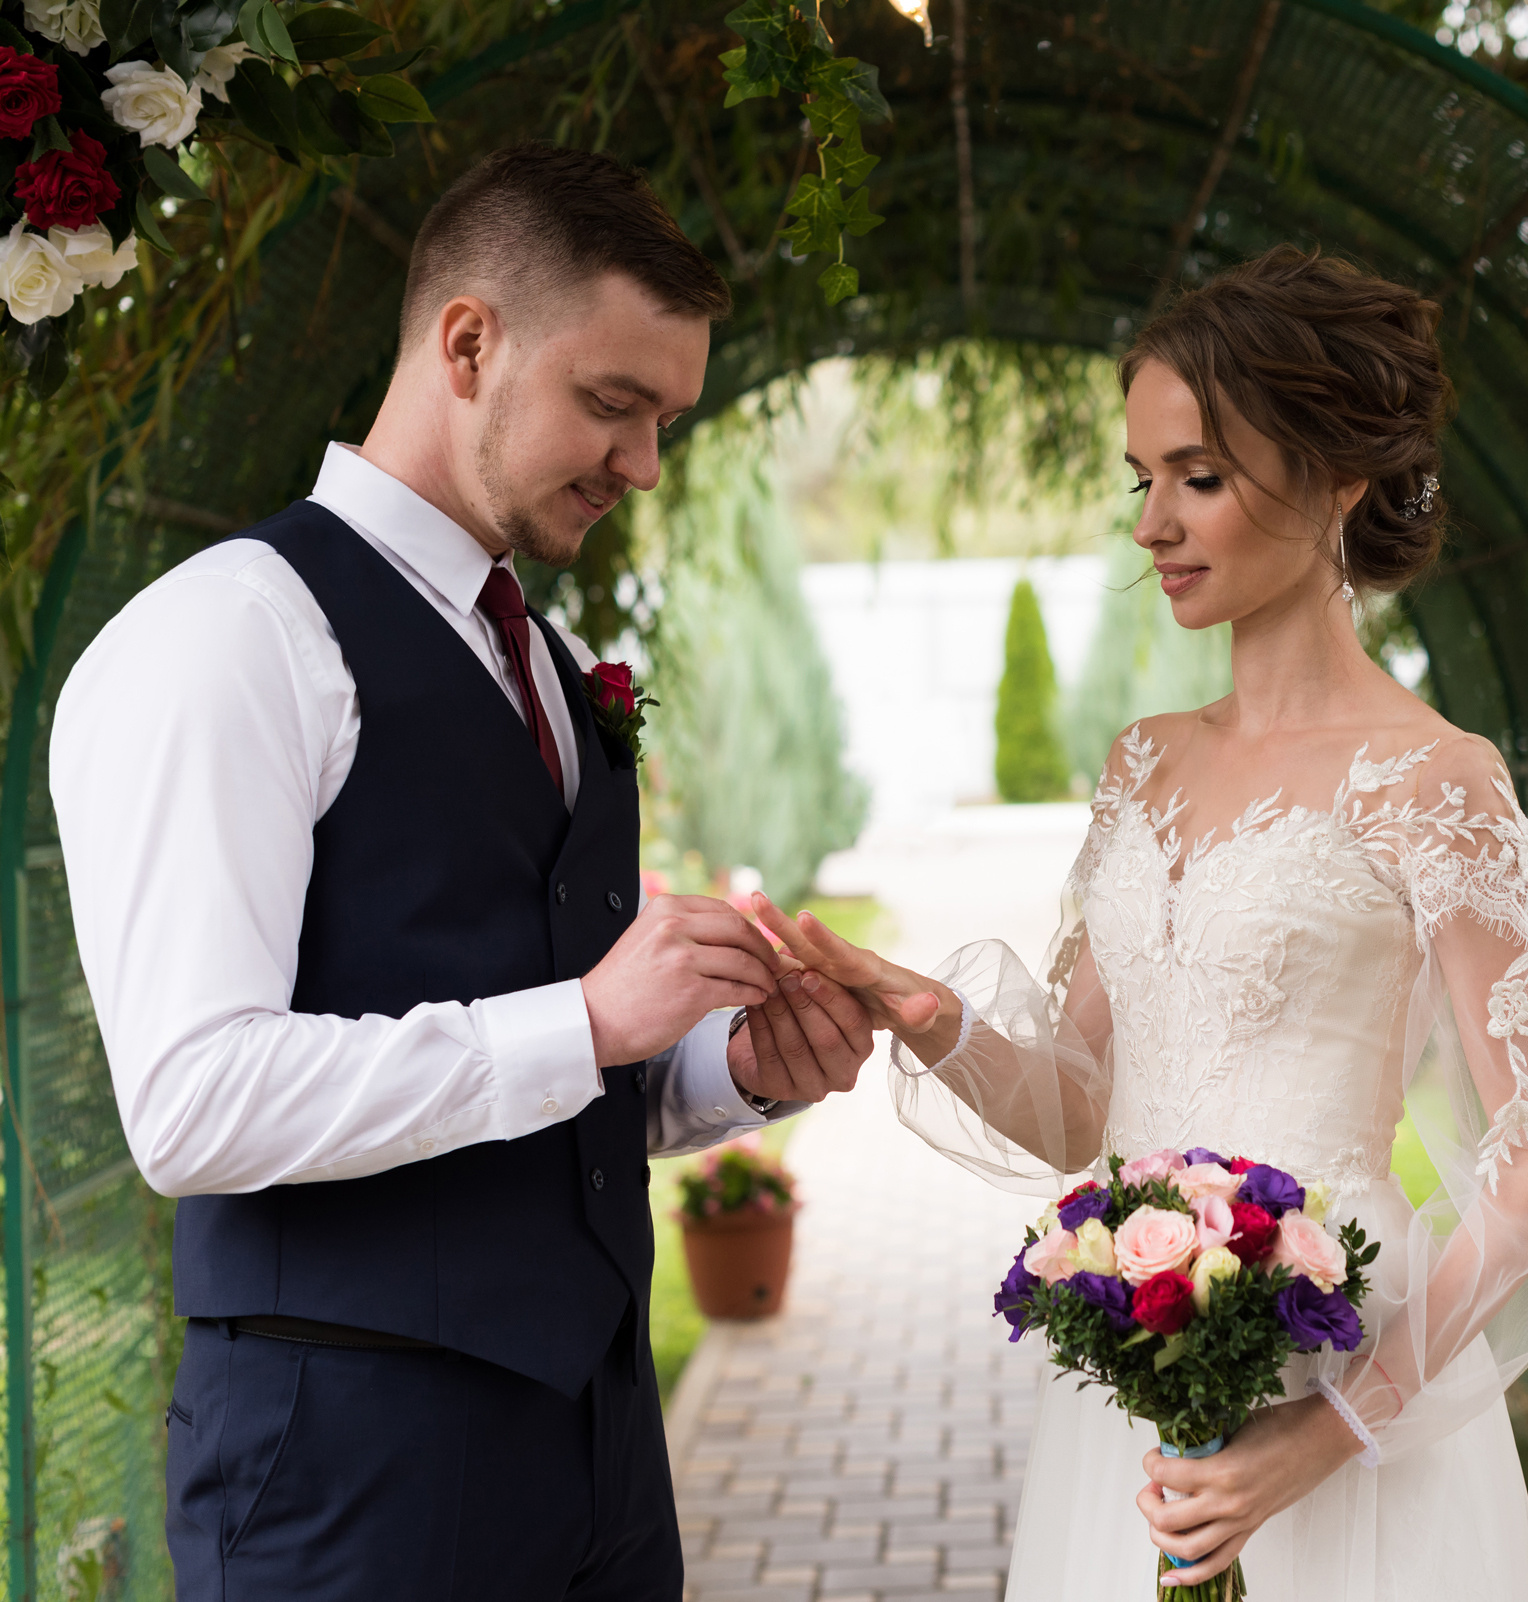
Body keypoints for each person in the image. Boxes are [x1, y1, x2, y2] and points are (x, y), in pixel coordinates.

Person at [51, 143, 920, 1600]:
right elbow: (192, 1103)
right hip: (350, 1481)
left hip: (604, 1462)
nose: (645, 465)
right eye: (613, 404)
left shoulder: (557, 663)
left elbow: (557, 1075)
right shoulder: (231, 637)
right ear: (467, 344)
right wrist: (585, 1019)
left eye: (665, 421)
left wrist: (736, 1072)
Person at [757, 245, 1528, 1598]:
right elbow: (1079, 1110)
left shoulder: (1437, 779)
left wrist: (1327, 1432)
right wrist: (927, 1014)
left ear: (1337, 477)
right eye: (1142, 478)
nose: (1152, 524)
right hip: (1132, 1387)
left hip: (1341, 1384)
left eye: (1197, 476)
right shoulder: (1140, 763)